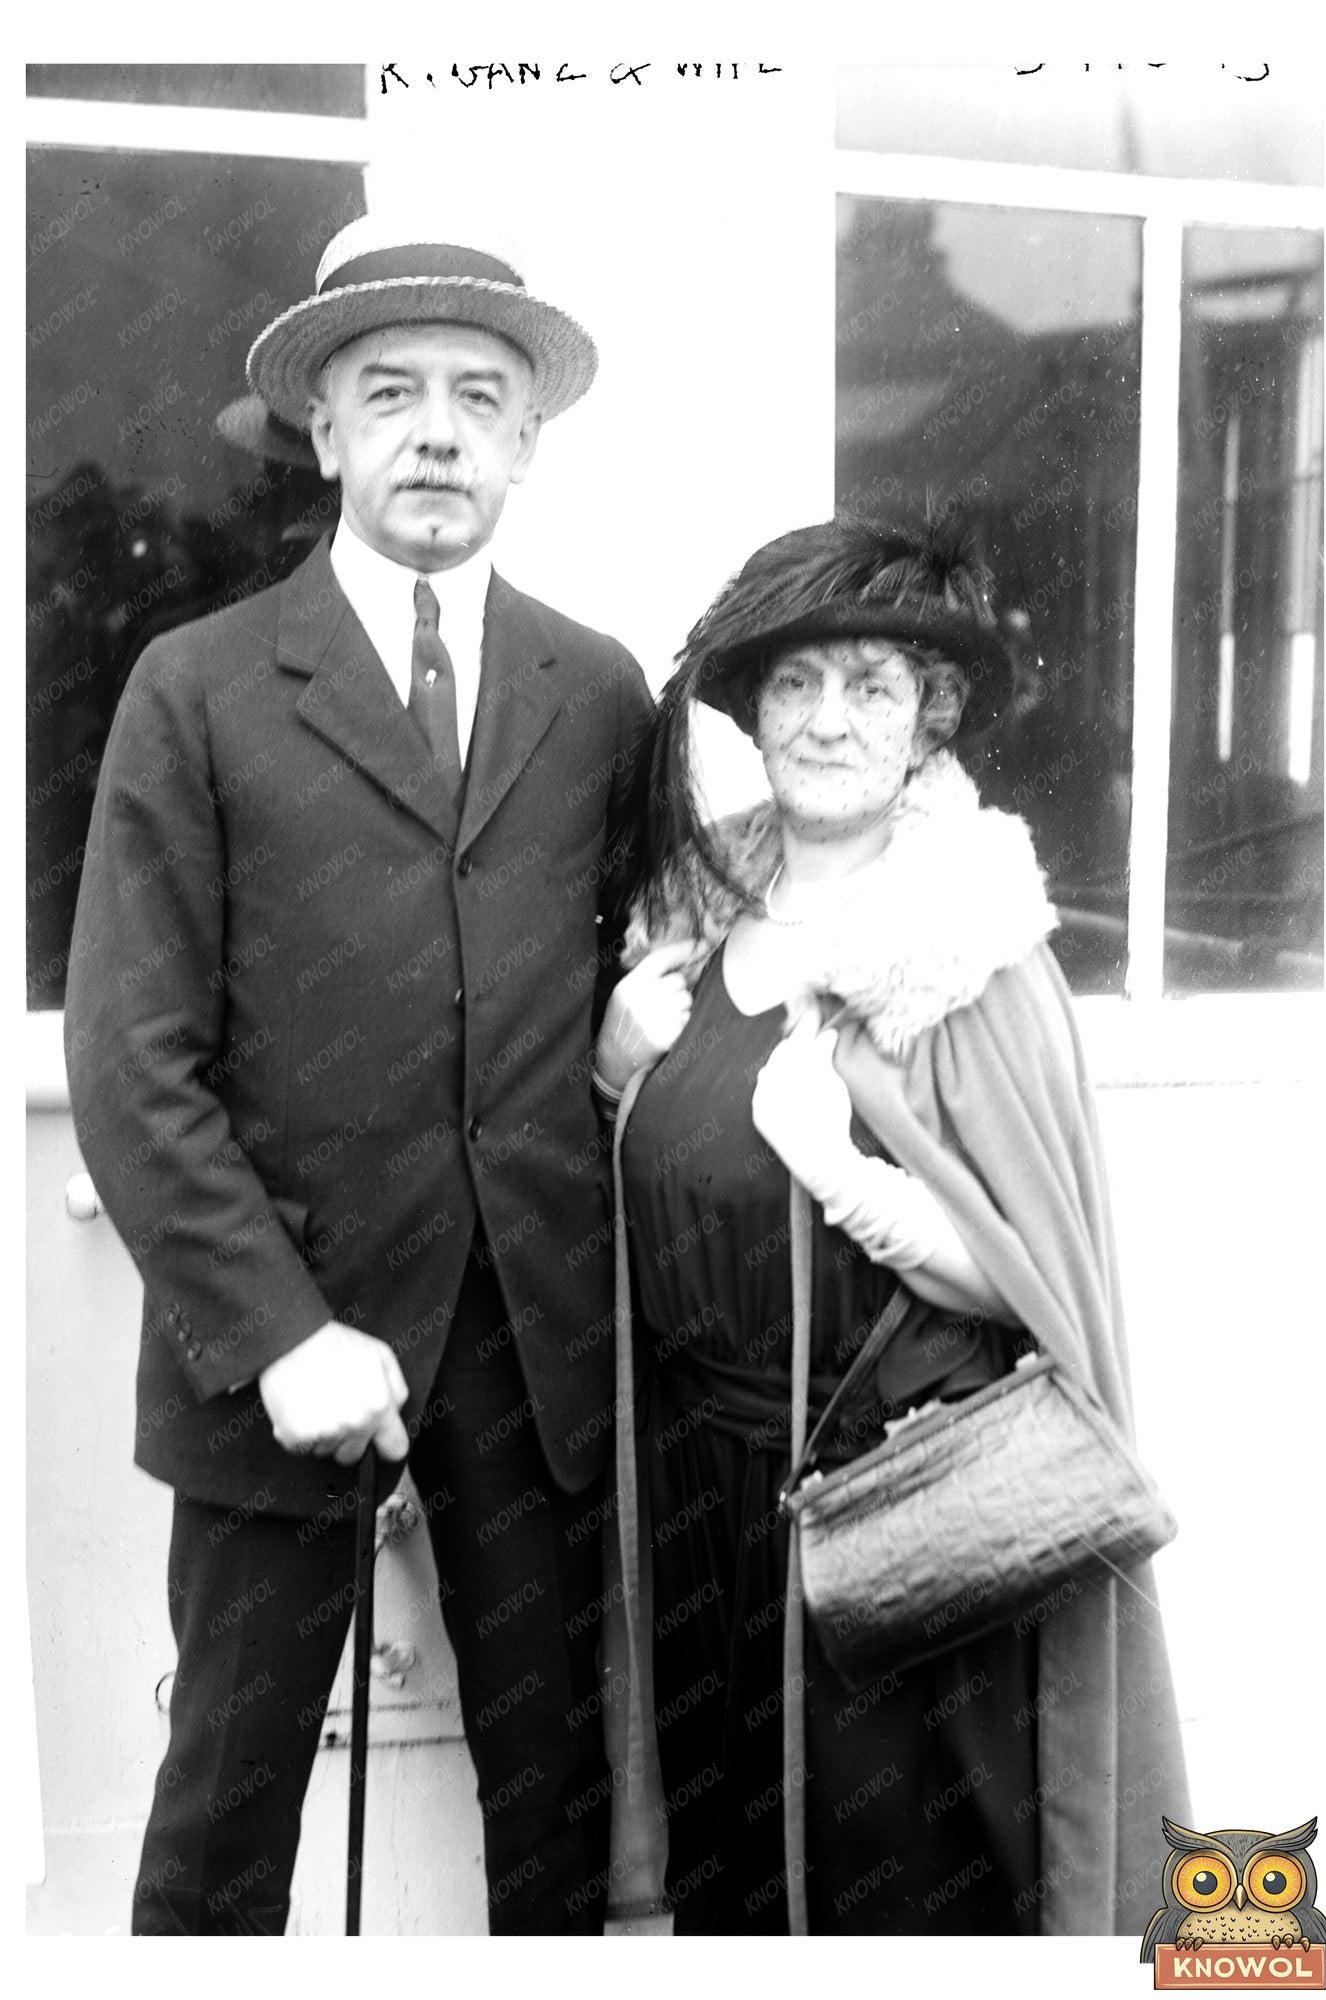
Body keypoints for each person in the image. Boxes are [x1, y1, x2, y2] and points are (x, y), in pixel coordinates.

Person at [65, 213, 652, 1935]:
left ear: (530, 438)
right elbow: (130, 1056)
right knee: (226, 1815)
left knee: (556, 1812)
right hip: (283, 1341)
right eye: (386, 392)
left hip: (537, 1347)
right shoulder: (200, 686)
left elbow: (649, 961)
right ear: (320, 431)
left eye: (481, 395)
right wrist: (277, 1334)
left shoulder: (597, 690)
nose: (438, 432)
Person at [594, 516, 1189, 1934]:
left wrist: (842, 1174)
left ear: (931, 716)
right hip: (704, 1506)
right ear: (747, 710)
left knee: (892, 1896)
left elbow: (1027, 1279)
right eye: (794, 685)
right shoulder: (686, 917)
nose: (828, 721)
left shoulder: (967, 942)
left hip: (889, 1512)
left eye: (872, 686)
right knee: (735, 1881)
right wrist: (616, 1069)